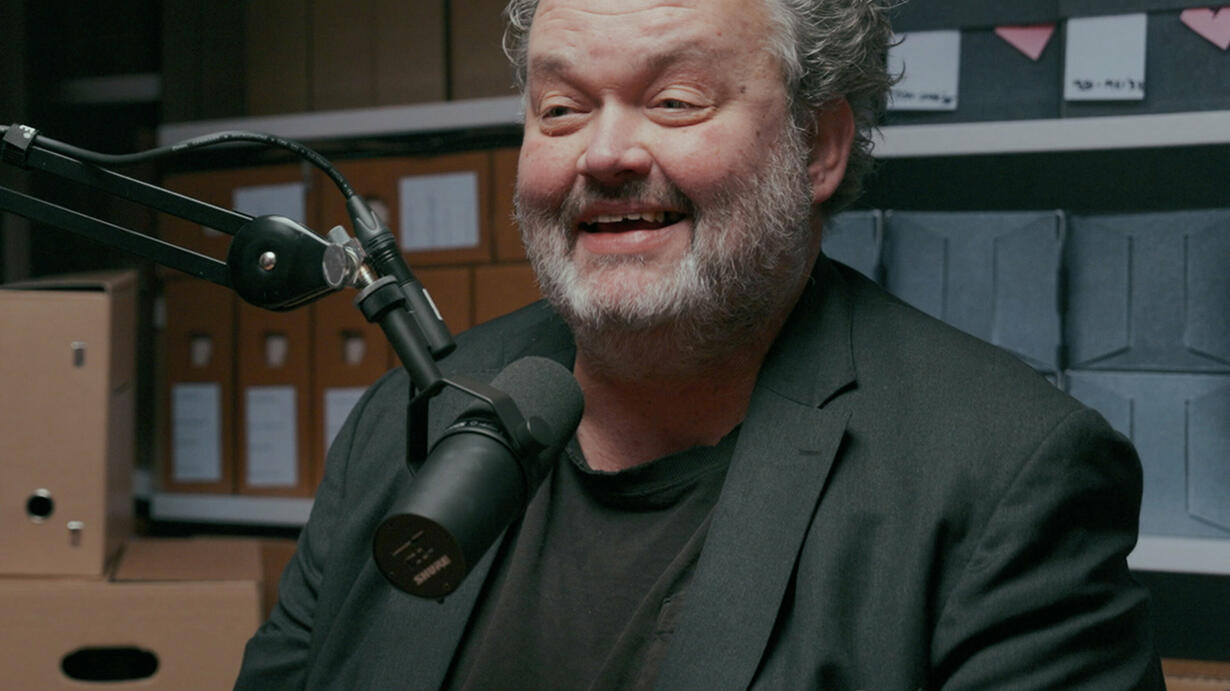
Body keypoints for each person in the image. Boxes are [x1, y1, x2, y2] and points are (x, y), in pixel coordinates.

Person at [236, 0, 1163, 688]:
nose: (604, 153)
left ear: (818, 148)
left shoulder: (1007, 478)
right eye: (560, 109)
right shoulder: (409, 417)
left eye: (674, 100)